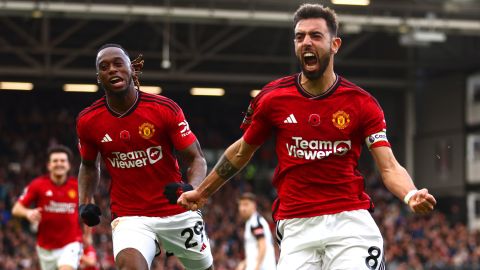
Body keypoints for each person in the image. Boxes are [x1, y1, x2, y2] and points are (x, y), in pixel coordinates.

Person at [178, 3, 437, 270]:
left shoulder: (361, 103)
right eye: (300, 37)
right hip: (296, 226)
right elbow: (242, 151)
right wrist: (203, 192)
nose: (306, 42)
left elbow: (389, 166)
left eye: (315, 36)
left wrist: (410, 194)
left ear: (335, 44)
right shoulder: (272, 98)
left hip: (349, 222)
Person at [76, 43, 213, 270]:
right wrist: (85, 203)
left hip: (177, 210)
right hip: (130, 216)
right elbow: (89, 165)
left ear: (132, 69)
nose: (112, 69)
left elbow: (196, 158)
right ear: (99, 77)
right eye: (104, 66)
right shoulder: (88, 121)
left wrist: (193, 189)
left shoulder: (164, 109)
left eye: (118, 64)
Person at [12, 145, 83, 270]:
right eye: (55, 161)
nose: (59, 164)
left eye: (62, 161)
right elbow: (16, 208)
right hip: (45, 248)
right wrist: (28, 213)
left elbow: (89, 209)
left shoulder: (77, 187)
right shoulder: (38, 185)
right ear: (49, 165)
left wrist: (87, 235)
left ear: (68, 165)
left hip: (71, 244)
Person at [236, 193, 276, 270]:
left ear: (254, 206)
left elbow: (262, 245)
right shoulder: (252, 221)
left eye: (246, 204)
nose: (243, 208)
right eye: (241, 205)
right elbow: (255, 250)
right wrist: (244, 263)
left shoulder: (255, 222)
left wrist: (257, 266)